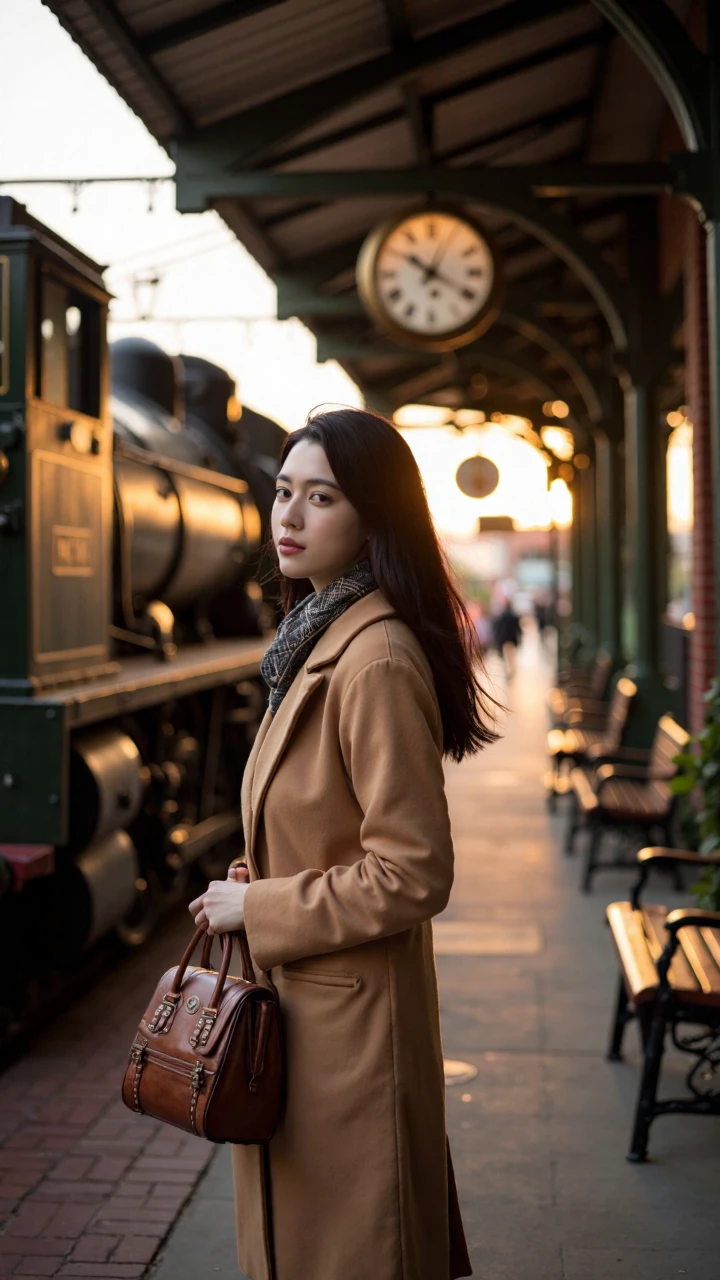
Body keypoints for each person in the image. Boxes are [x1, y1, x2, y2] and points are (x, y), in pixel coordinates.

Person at [189, 407, 499, 1280]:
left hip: (350, 1030)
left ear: (373, 516)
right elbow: (334, 823)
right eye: (283, 490)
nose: (287, 516)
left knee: (358, 1250)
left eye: (320, 496)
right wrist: (271, 865)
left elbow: (413, 871)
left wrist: (261, 904)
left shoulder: (374, 658)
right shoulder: (318, 641)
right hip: (310, 1015)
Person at [492, 598, 522, 677]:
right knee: (511, 655)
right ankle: (512, 669)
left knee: (506, 655)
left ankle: (507, 669)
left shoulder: (501, 617)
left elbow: (497, 628)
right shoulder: (514, 616)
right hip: (512, 638)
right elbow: (518, 628)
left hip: (504, 639)